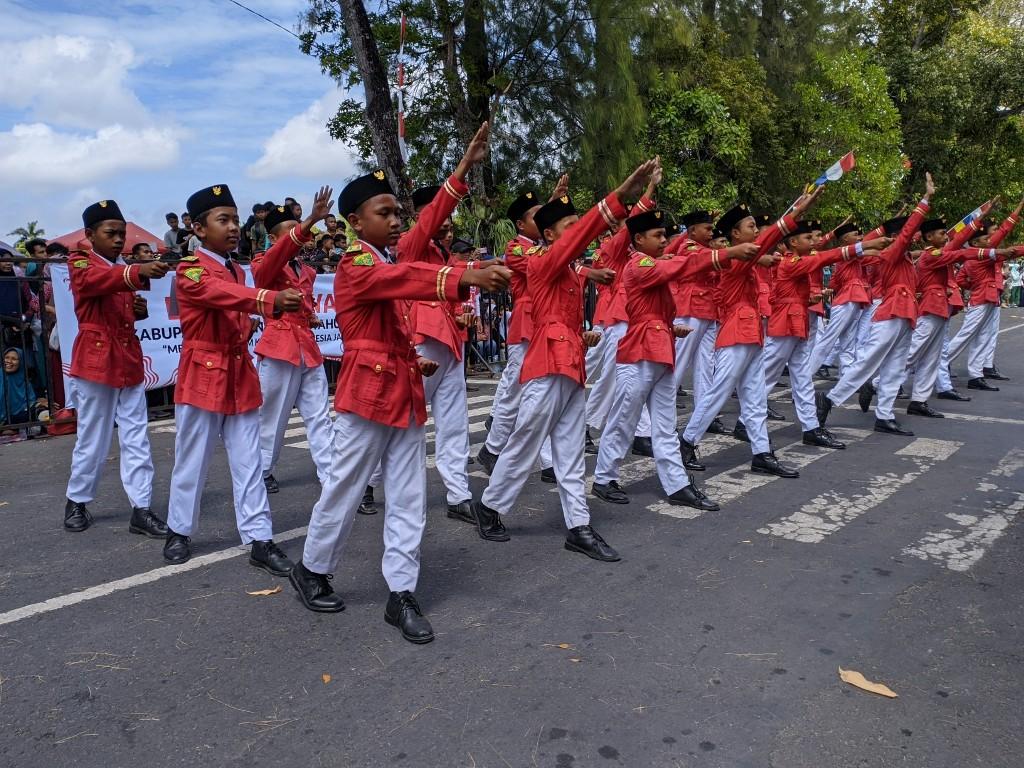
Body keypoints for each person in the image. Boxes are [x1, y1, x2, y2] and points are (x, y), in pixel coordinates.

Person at [288, 164, 511, 646]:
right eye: (383, 212)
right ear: (354, 220)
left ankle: (402, 592)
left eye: (396, 212)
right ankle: (312, 569)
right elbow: (405, 277)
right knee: (345, 489)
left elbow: (391, 319)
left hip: (403, 390)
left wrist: (412, 358)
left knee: (409, 496)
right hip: (368, 396)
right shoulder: (356, 264)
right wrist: (466, 273)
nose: (394, 220)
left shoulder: (378, 262)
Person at [470, 158, 660, 563]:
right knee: (525, 440)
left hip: (569, 363)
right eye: (569, 226)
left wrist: (640, 200)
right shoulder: (543, 260)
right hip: (548, 361)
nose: (577, 232)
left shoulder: (569, 268)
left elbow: (614, 244)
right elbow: (586, 236)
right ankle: (489, 505)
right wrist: (624, 188)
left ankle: (578, 526)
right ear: (552, 234)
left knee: (570, 451)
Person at [163, 184, 303, 570]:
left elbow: (269, 263)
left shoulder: (238, 269)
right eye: (222, 220)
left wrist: (302, 228)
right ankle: (179, 529)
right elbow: (220, 294)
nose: (232, 227)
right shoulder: (190, 269)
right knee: (192, 459)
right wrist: (269, 300)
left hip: (239, 371)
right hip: (204, 372)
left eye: (235, 220)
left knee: (248, 462)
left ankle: (259, 537)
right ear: (197, 227)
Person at [680, 191, 821, 477]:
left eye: (755, 228)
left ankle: (762, 453)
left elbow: (763, 247)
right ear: (734, 234)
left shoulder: (746, 258)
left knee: (755, 398)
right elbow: (765, 242)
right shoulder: (733, 259)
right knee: (718, 392)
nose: (755, 231)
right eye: (750, 227)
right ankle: (686, 441)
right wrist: (794, 215)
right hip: (736, 334)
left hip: (751, 333)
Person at [591, 208, 720, 510]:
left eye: (665, 235)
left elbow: (654, 309)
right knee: (624, 420)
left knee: (664, 425)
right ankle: (603, 478)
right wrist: (727, 254)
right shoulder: (639, 265)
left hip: (660, 350)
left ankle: (676, 484)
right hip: (639, 353)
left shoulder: (653, 264)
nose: (665, 240)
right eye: (658, 235)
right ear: (638, 239)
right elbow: (681, 266)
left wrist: (669, 327)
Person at [395, 125, 493, 524]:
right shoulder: (411, 244)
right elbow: (437, 218)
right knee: (403, 421)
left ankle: (457, 494)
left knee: (453, 423)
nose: (448, 227)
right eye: (441, 219)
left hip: (449, 342)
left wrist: (490, 266)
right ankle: (371, 480)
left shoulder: (440, 252)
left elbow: (462, 269)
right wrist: (466, 165)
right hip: (421, 342)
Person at [62, 199, 171, 537]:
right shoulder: (81, 262)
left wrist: (134, 311)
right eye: (111, 233)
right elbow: (92, 283)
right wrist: (136, 271)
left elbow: (115, 296)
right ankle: (77, 500)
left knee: (137, 435)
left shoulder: (119, 265)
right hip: (97, 361)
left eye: (121, 234)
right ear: (90, 235)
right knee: (93, 437)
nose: (118, 239)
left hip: (127, 358)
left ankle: (141, 507)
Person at [817, 173, 935, 435]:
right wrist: (925, 200)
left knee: (896, 366)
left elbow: (910, 243)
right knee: (869, 360)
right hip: (891, 310)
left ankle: (885, 414)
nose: (915, 238)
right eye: (910, 234)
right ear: (896, 237)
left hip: (905, 314)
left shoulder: (904, 257)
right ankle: (829, 399)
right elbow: (905, 236)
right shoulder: (891, 253)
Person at [761, 221, 885, 447]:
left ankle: (811, 427)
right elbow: (826, 257)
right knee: (767, 376)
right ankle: (746, 422)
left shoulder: (797, 262)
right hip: (784, 325)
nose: (813, 241)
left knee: (802, 378)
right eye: (808, 238)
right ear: (793, 242)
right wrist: (864, 245)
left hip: (796, 324)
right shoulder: (792, 262)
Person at [251, 191, 336, 495]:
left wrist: (310, 315)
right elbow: (266, 275)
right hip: (279, 349)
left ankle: (330, 476)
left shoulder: (308, 270)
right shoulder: (264, 262)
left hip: (307, 348)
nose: (299, 236)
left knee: (320, 416)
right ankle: (262, 471)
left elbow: (305, 304)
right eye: (290, 232)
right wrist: (310, 219)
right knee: (271, 418)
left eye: (300, 229)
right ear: (274, 239)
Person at [1, 347, 45, 430]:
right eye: (6, 357)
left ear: (20, 362)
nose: (9, 361)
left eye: (14, 359)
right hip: (2, 419)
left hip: (17, 417)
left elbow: (28, 402)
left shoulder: (24, 380)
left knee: (39, 412)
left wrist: (38, 404)